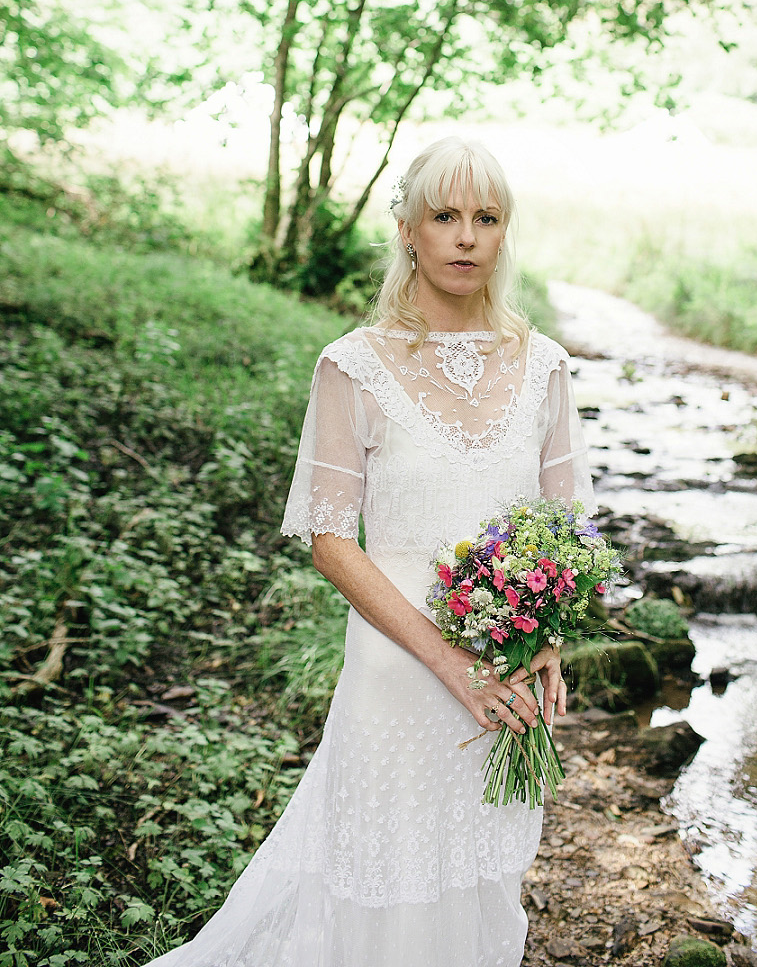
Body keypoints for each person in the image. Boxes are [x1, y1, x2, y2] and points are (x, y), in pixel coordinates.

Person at [146, 136, 594, 967]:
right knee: (382, 875)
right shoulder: (353, 365)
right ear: (407, 231)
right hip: (397, 670)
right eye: (445, 215)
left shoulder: (546, 367)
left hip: (506, 670)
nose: (465, 236)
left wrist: (547, 637)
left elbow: (565, 529)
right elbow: (329, 538)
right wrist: (445, 661)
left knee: (478, 871)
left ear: (505, 234)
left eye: (485, 218)